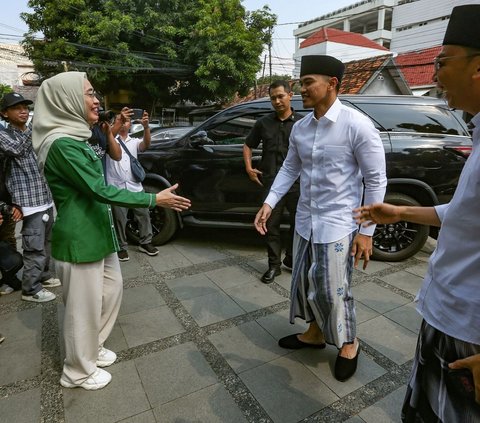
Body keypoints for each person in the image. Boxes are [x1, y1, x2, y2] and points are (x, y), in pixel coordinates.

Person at [355, 5, 480, 419]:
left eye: (442, 63)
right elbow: (465, 215)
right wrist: (400, 213)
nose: (434, 75)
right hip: (448, 317)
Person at [32, 71, 190, 391]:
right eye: (89, 93)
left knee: (111, 290)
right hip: (79, 237)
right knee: (82, 308)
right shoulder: (62, 144)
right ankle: (76, 371)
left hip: (100, 232)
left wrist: (110, 129)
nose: (96, 100)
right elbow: (97, 188)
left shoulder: (78, 135)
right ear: (67, 100)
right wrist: (152, 198)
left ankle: (91, 349)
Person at [254, 55, 387, 382]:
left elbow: (376, 179)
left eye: (308, 81)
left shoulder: (357, 125)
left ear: (333, 84)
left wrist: (366, 231)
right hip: (305, 222)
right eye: (300, 82)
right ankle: (314, 333)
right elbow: (290, 168)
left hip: (339, 225)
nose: (302, 88)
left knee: (333, 289)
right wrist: (270, 202)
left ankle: (349, 342)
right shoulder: (301, 127)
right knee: (304, 283)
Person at [0, 93, 60, 303]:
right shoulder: (4, 135)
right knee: (33, 246)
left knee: (46, 242)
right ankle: (31, 289)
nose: (23, 111)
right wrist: (36, 125)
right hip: (27, 201)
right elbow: (16, 150)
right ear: (4, 113)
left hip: (44, 196)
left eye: (25, 107)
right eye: (17, 108)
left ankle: (43, 275)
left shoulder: (33, 132)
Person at [243, 80, 302, 283]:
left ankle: (292, 259)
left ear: (290, 95)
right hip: (271, 183)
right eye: (273, 98)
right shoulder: (263, 123)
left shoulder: (303, 123)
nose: (277, 101)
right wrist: (249, 168)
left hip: (297, 184)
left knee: (299, 225)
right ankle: (273, 266)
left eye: (280, 96)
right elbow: (248, 145)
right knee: (271, 225)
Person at [105, 114, 158, 261]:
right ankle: (121, 246)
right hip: (116, 188)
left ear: (130, 125)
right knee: (119, 219)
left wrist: (146, 127)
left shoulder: (134, 141)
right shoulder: (109, 139)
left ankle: (146, 242)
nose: (123, 123)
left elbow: (146, 145)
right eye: (119, 120)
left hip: (135, 186)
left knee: (144, 215)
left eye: (126, 121)